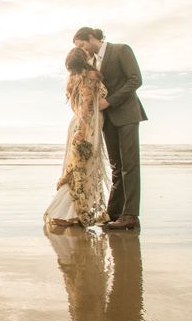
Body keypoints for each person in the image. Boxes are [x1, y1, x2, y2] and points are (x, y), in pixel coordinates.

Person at [73, 28, 148, 230]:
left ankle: (131, 215)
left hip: (127, 115)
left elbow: (135, 80)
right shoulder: (93, 62)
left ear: (91, 38)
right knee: (116, 166)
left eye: (81, 45)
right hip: (108, 120)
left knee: (129, 165)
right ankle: (113, 213)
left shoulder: (121, 49)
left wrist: (110, 102)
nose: (82, 50)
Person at [44, 47, 110, 227]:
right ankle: (64, 212)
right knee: (82, 167)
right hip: (87, 123)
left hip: (82, 121)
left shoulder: (74, 78)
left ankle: (72, 212)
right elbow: (86, 104)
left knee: (80, 166)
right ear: (85, 57)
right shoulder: (90, 76)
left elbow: (79, 105)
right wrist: (82, 130)